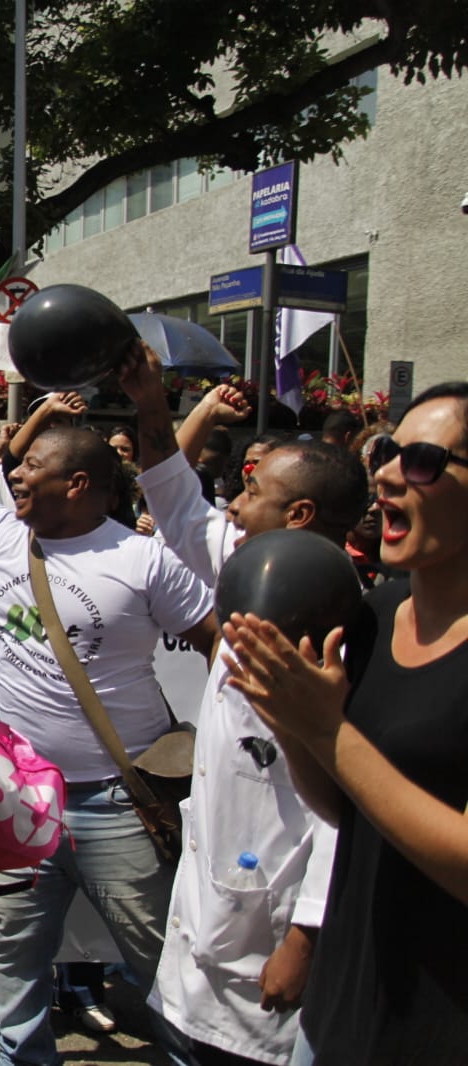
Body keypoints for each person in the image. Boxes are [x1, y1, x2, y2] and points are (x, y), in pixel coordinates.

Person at [0, 420, 216, 1066]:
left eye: (32, 464)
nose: (16, 474)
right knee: (14, 953)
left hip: (119, 804)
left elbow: (217, 644)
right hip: (20, 800)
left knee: (157, 959)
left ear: (78, 483)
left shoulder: (143, 559)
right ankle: (24, 1058)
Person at [123, 348, 367, 1065]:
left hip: (272, 932)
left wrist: (305, 937)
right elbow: (176, 504)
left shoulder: (341, 624)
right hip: (213, 913)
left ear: (296, 514)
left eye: (249, 491)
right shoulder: (252, 569)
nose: (231, 500)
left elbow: (342, 805)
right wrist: (148, 405)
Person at [224, 381, 468, 1065]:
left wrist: (329, 733)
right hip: (345, 1009)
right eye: (387, 450)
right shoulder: (373, 615)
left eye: (421, 460)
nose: (386, 472)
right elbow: (345, 807)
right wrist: (293, 722)